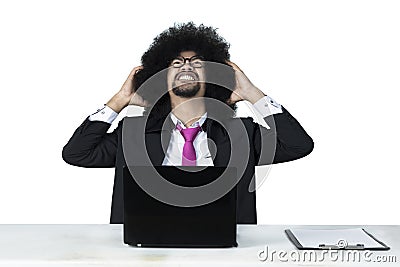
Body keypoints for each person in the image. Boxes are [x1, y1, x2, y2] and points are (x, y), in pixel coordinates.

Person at [62, 22, 314, 224]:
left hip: (226, 250)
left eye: (197, 63)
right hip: (148, 249)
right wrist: (118, 101)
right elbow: (77, 153)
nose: (187, 66)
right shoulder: (133, 135)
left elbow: (298, 145)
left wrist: (253, 94)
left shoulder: (241, 134)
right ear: (160, 78)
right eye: (176, 63)